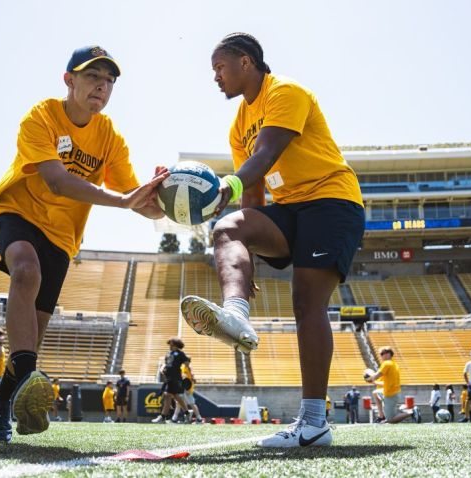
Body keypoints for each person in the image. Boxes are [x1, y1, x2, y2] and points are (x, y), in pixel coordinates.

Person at [0, 45, 168, 444]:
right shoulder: (41, 116)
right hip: (16, 211)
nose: (102, 86)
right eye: (93, 76)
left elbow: (134, 195)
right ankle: (17, 390)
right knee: (25, 269)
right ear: (69, 80)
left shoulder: (109, 136)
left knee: (31, 341)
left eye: (109, 81)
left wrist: (163, 199)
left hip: (62, 236)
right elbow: (57, 180)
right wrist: (124, 200)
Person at [179, 32, 365, 449]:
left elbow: (265, 155)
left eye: (219, 68)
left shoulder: (286, 91)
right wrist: (249, 256)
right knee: (227, 229)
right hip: (291, 209)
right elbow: (256, 195)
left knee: (305, 301)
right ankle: (236, 313)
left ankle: (314, 423)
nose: (215, 78)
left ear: (246, 62)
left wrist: (223, 187)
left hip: (331, 202)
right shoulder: (238, 123)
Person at [366, 347, 418, 425]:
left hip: (390, 394)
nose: (381, 356)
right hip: (391, 391)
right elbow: (385, 383)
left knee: (390, 420)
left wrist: (369, 378)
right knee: (375, 393)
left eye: (382, 354)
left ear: (388, 354)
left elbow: (376, 376)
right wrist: (374, 383)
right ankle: (381, 416)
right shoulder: (394, 364)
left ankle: (411, 412)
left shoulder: (387, 363)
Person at [151, 338, 190, 424]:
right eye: (170, 344)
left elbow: (186, 363)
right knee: (174, 396)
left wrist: (186, 369)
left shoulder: (180, 354)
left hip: (175, 378)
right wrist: (163, 368)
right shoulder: (168, 353)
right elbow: (167, 363)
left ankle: (163, 417)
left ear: (176, 345)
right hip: (168, 378)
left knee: (169, 395)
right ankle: (187, 413)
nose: (170, 346)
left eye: (172, 344)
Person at [180, 360, 203, 424]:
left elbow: (193, 379)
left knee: (191, 403)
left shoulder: (189, 368)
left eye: (187, 361)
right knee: (179, 403)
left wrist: (189, 388)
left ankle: (199, 418)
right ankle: (175, 418)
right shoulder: (182, 367)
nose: (186, 362)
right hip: (183, 388)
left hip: (188, 388)